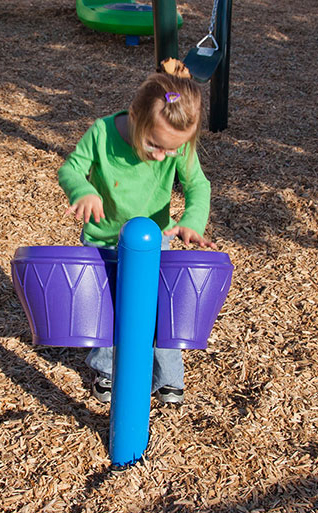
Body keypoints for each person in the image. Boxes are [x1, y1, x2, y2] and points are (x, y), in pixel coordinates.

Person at [58, 58, 216, 405]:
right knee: (108, 308)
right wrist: (83, 191)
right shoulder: (101, 133)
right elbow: (70, 169)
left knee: (159, 308)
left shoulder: (175, 142)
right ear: (134, 117)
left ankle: (168, 378)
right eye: (154, 146)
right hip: (104, 241)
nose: (162, 156)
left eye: (172, 150)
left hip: (153, 242)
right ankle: (108, 370)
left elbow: (197, 185)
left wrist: (192, 221)